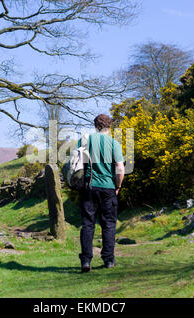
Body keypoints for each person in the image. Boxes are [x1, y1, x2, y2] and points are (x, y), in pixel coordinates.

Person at [78, 114, 125, 273]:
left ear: (95, 125)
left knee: (87, 224)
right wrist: (117, 186)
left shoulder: (84, 141)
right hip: (108, 188)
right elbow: (120, 167)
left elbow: (76, 164)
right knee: (109, 224)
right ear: (109, 126)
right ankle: (108, 259)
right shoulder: (114, 143)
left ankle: (86, 261)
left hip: (89, 187)